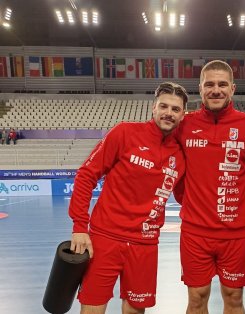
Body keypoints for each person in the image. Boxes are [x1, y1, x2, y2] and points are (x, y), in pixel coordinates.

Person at [68, 82, 187, 314]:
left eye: (175, 109)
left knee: (135, 310)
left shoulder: (181, 154)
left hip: (145, 245)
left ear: (183, 114)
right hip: (105, 239)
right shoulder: (124, 132)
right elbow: (86, 175)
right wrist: (80, 226)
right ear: (153, 108)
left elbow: (185, 196)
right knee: (92, 307)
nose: (168, 113)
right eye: (163, 106)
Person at [174, 60, 245, 314]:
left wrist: (241, 183)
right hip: (194, 233)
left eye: (222, 84)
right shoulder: (184, 125)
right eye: (209, 84)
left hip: (235, 233)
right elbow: (172, 168)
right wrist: (187, 196)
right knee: (196, 299)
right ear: (200, 89)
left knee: (234, 298)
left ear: (232, 89)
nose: (216, 90)